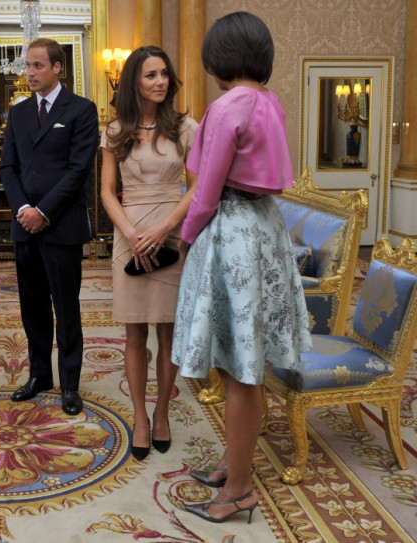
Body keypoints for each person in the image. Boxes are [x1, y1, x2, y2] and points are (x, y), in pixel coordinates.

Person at [172, 12, 312, 523]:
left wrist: (185, 239)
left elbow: (205, 192)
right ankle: (234, 468)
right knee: (244, 364)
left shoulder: (226, 105)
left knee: (238, 371)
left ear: (219, 57)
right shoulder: (270, 102)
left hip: (231, 231)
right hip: (265, 229)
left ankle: (238, 487)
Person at [100, 46, 197, 461]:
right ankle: (140, 417)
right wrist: (131, 232)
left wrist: (163, 228)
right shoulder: (115, 131)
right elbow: (106, 191)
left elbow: (197, 188)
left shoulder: (186, 128)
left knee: (169, 331)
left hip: (170, 235)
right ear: (134, 82)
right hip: (130, 237)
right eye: (150, 75)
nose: (159, 82)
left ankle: (162, 413)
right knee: (135, 333)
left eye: (163, 74)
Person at [0, 38, 99, 416]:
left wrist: (43, 210)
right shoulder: (19, 113)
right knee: (33, 308)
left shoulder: (82, 110)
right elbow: (8, 168)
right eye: (27, 66)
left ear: (58, 67)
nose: (29, 73)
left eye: (37, 66)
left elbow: (78, 170)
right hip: (24, 226)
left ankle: (70, 385)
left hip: (61, 226)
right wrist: (24, 208)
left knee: (65, 307)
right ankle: (40, 375)